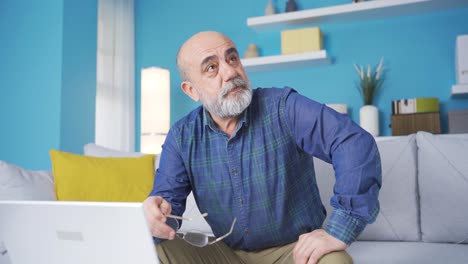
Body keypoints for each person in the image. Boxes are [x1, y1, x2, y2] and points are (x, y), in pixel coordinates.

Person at [143, 31, 382, 264]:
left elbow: (352, 141)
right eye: (211, 68)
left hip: (295, 251)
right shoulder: (182, 136)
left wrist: (338, 230)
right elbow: (167, 203)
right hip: (224, 253)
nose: (229, 72)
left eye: (232, 58)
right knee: (152, 249)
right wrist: (156, 217)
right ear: (191, 90)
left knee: (336, 261)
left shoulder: (284, 107)